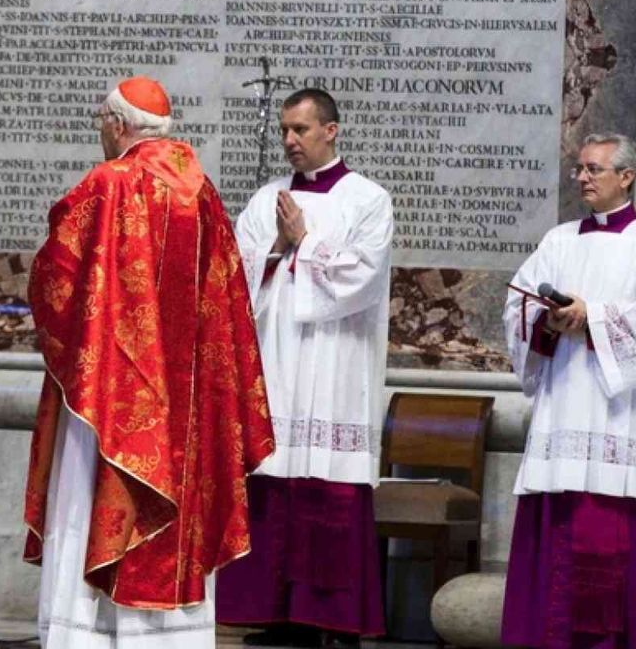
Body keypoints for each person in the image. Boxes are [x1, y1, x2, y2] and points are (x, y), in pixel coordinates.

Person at [24, 76, 275, 648]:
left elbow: (55, 283)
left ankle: (86, 636)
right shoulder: (203, 193)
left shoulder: (108, 185)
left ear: (118, 125)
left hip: (110, 399)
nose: (101, 136)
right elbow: (229, 303)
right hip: (187, 406)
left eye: (100, 125)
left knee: (91, 500)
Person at [213, 88, 393, 648]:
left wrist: (304, 245)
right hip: (275, 356)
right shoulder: (266, 197)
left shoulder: (368, 200)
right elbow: (233, 271)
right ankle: (273, 613)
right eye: (286, 130)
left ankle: (330, 619)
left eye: (301, 130)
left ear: (331, 130)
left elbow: (364, 276)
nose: (289, 140)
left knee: (327, 485)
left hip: (335, 362)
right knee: (273, 481)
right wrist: (272, 254)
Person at [500, 133, 636, 649]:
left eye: (594, 169)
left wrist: (591, 316)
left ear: (626, 176)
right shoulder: (559, 240)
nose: (581, 177)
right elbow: (517, 305)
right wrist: (548, 318)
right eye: (579, 168)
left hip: (618, 418)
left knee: (607, 551)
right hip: (563, 412)